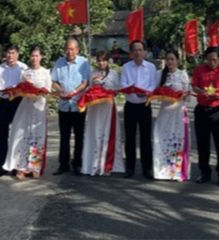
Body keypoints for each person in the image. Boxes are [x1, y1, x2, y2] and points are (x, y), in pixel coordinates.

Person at [3, 46, 52, 180]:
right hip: (26, 106)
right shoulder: (25, 72)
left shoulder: (45, 73)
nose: (34, 58)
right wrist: (23, 89)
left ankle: (35, 167)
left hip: (39, 106)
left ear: (41, 57)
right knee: (22, 135)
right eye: (32, 56)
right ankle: (21, 167)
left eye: (36, 56)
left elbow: (47, 90)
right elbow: (19, 89)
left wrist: (37, 91)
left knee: (37, 135)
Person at [192, 46, 219, 185]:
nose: (212, 62)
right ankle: (204, 172)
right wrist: (201, 91)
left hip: (218, 111)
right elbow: (194, 86)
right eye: (209, 60)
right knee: (203, 144)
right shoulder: (199, 70)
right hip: (202, 110)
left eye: (215, 60)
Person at [52, 37, 90, 176]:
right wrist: (60, 89)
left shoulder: (83, 62)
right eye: (67, 49)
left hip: (77, 105)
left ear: (77, 50)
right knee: (64, 136)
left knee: (79, 136)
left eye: (72, 49)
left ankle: (77, 164)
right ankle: (63, 164)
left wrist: (75, 91)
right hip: (63, 105)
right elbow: (54, 81)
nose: (69, 52)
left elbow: (85, 82)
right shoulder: (59, 62)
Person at [81, 51, 124, 176]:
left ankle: (107, 165)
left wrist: (106, 90)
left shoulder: (113, 74)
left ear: (108, 61)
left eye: (104, 60)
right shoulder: (93, 73)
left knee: (108, 134)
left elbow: (117, 90)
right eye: (99, 60)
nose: (101, 62)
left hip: (108, 107)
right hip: (95, 108)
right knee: (95, 133)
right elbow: (88, 90)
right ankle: (93, 163)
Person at [120, 40, 158, 179]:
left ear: (145, 52)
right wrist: (132, 89)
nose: (138, 52)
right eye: (135, 50)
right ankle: (130, 168)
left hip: (144, 105)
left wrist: (146, 92)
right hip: (130, 105)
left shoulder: (151, 67)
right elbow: (123, 83)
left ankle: (147, 168)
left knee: (146, 138)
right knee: (129, 138)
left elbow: (153, 85)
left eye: (140, 49)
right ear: (131, 53)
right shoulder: (125, 67)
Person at [152, 49, 191, 181]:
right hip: (164, 112)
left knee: (177, 140)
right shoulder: (160, 75)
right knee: (162, 139)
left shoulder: (182, 74)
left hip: (178, 112)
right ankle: (162, 170)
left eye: (172, 59)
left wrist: (181, 94)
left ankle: (176, 171)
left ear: (177, 61)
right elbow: (155, 92)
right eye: (167, 59)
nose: (169, 62)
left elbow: (188, 94)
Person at [0, 44, 28, 177]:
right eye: (8, 53)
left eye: (13, 53)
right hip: (3, 101)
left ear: (17, 54)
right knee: (3, 135)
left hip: (17, 102)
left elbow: (25, 86)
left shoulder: (23, 67)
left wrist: (15, 90)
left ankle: (16, 165)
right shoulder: (0, 68)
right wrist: (1, 89)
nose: (10, 56)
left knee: (17, 134)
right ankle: (2, 165)